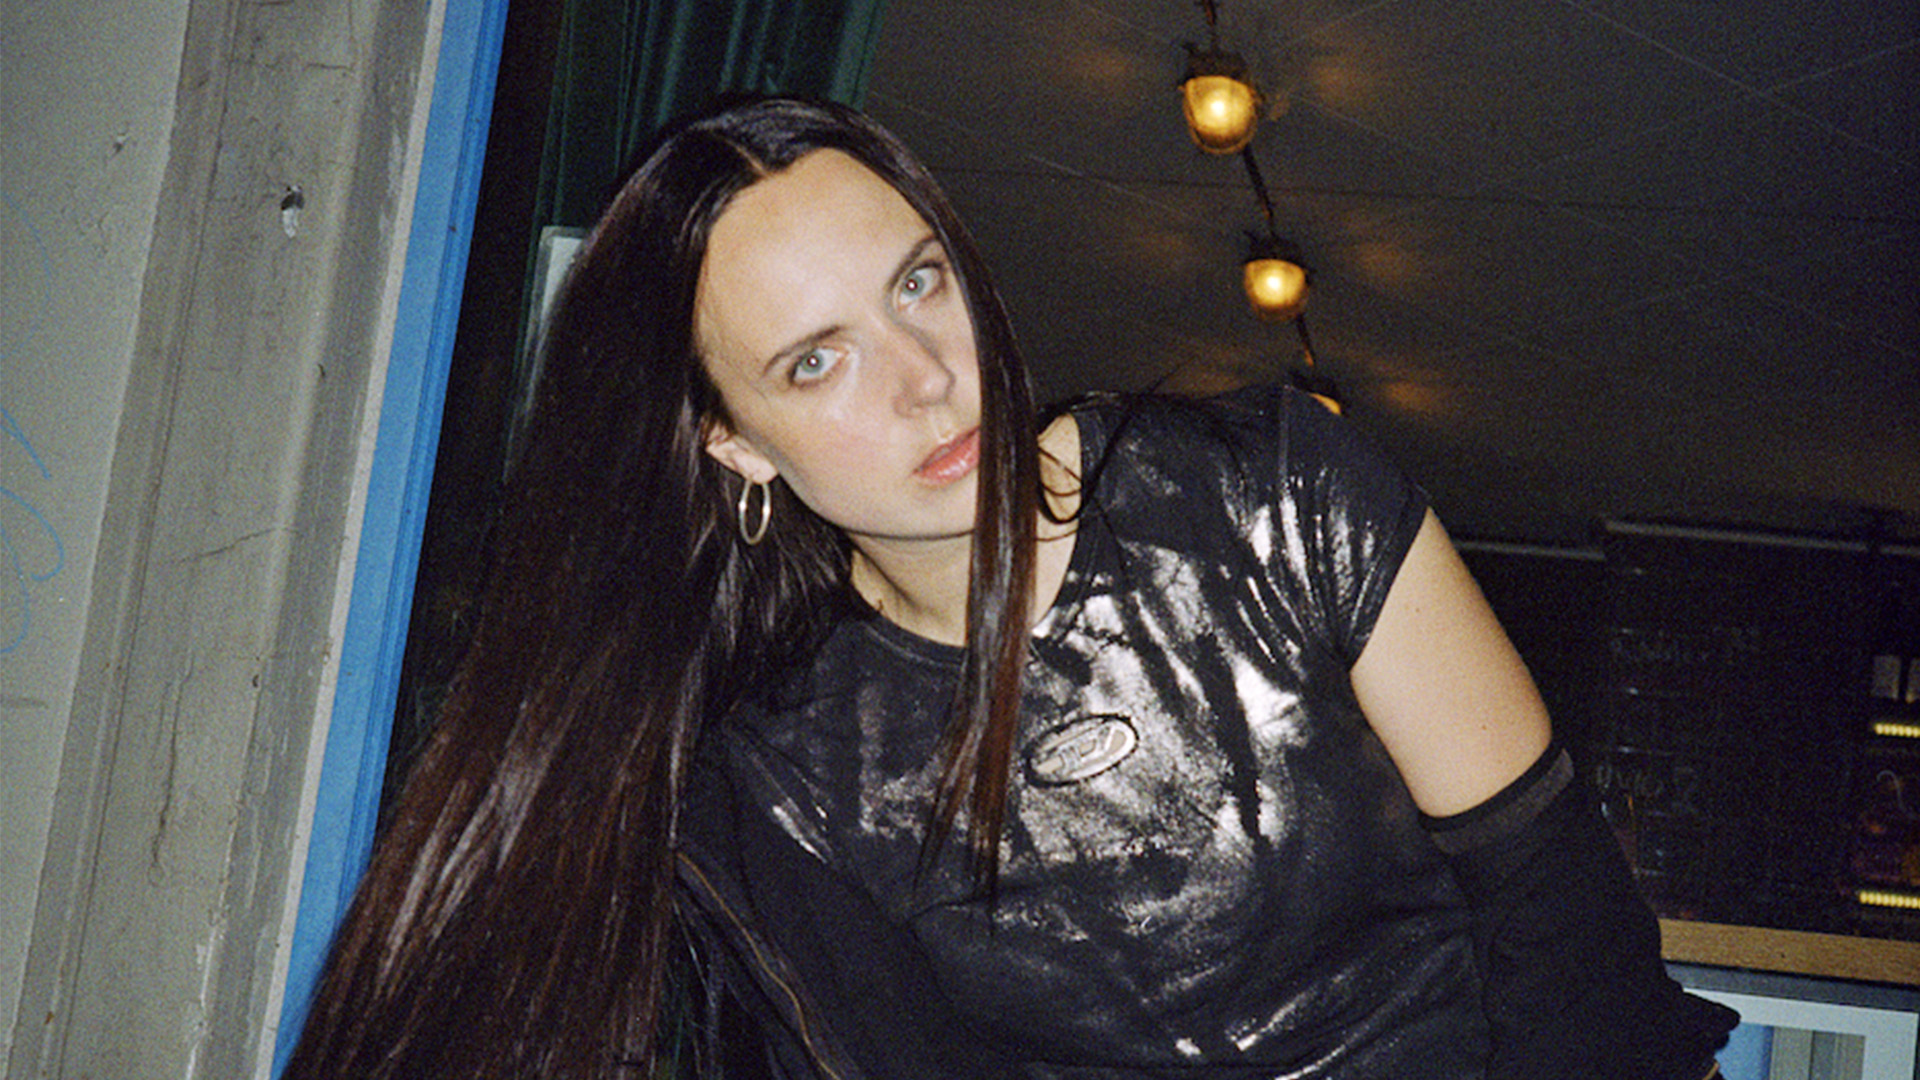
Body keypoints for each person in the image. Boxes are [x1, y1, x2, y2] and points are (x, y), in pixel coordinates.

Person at [285, 97, 1736, 1080]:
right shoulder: (783, 785)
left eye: (917, 283)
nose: (926, 377)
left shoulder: (1272, 495)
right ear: (732, 441)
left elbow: (1564, 923)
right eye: (816, 359)